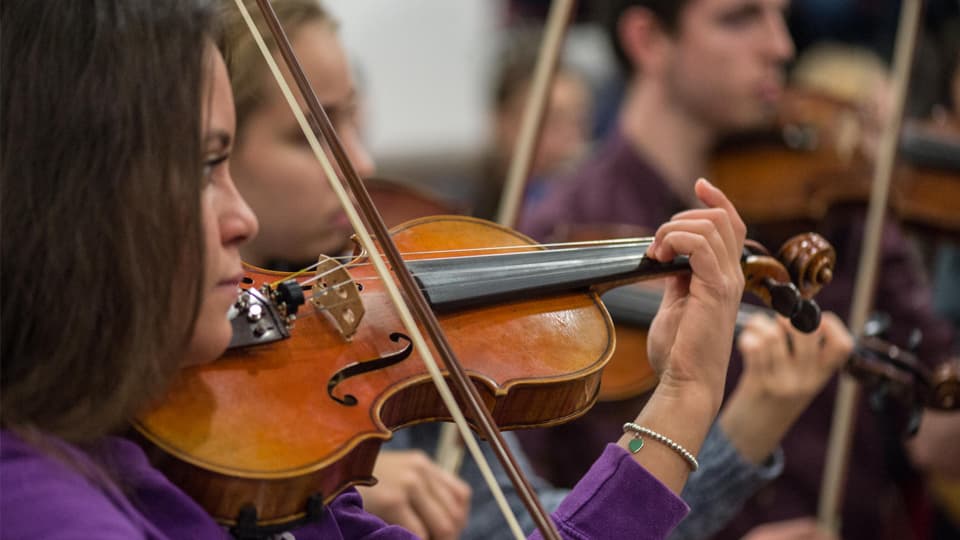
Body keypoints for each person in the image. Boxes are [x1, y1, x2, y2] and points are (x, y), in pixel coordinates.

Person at [1, 1, 770, 539]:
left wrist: (685, 395)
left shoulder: (257, 469)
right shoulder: (54, 508)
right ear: (76, 196)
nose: (244, 221)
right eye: (205, 167)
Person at [222, 1, 851, 539]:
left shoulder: (374, 328)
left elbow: (537, 525)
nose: (356, 160)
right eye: (309, 135)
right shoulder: (194, 385)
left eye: (354, 117)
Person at [519, 1, 956, 539]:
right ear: (648, 39)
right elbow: (529, 512)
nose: (781, 47)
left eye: (781, 15)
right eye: (741, 18)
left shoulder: (830, 194)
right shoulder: (558, 238)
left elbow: (938, 429)